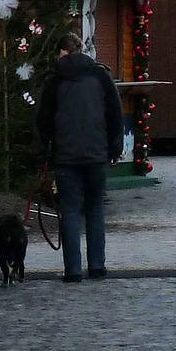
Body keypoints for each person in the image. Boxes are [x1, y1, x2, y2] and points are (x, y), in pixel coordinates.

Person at [33, 31, 124, 283]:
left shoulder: (53, 81)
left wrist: (41, 154)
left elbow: (43, 121)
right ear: (81, 50)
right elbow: (115, 113)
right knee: (95, 208)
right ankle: (97, 266)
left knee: (70, 211)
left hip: (65, 156)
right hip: (96, 154)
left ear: (62, 53)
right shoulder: (100, 76)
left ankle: (73, 270)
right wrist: (114, 148)